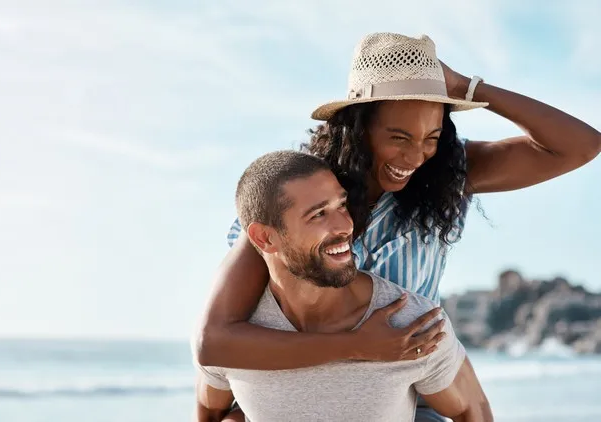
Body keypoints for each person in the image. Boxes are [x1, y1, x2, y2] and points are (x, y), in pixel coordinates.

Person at [194, 33, 601, 421]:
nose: (416, 155)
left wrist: (470, 89)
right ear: (359, 126)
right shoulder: (304, 200)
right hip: (295, 387)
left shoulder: (446, 175)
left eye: (432, 136)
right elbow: (215, 340)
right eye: (399, 136)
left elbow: (581, 145)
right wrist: (355, 349)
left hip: (409, 391)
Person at [193, 150, 493, 421]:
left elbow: (472, 409)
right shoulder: (236, 340)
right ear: (265, 238)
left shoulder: (409, 325)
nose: (345, 226)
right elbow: (209, 410)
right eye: (319, 214)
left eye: (342, 205)